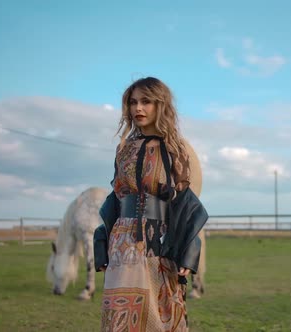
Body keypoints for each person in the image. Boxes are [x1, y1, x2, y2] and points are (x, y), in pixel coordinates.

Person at [94, 77, 208, 331]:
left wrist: (188, 253)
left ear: (161, 105)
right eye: (133, 102)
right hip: (122, 243)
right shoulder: (123, 149)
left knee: (161, 314)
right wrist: (101, 241)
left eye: (146, 102)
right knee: (119, 317)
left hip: (160, 243)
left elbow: (184, 204)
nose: (138, 109)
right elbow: (116, 198)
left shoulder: (175, 149)